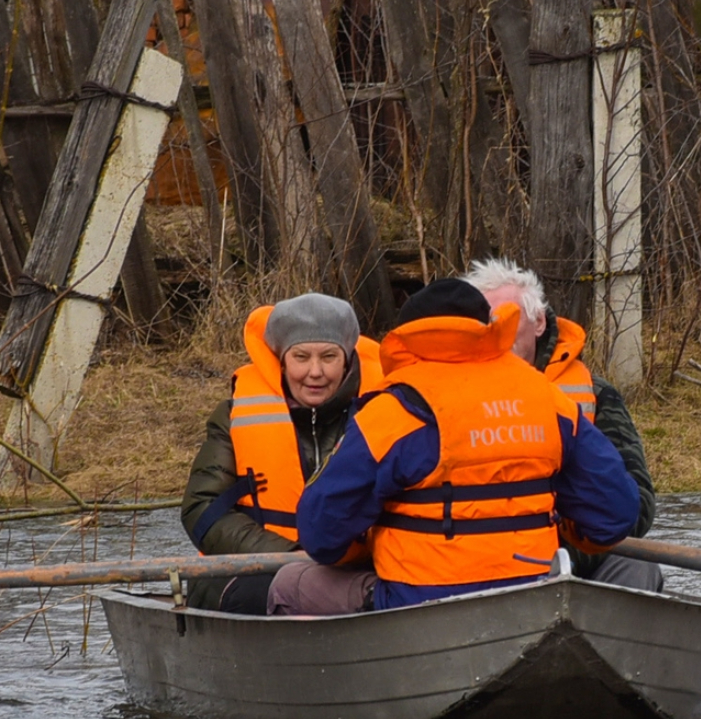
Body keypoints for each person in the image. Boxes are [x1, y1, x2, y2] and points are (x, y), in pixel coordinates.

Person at [272, 279, 640, 615]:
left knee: (290, 585)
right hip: (534, 597)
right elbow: (615, 515)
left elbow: (320, 534)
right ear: (487, 327)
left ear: (406, 336)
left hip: (418, 606)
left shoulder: (393, 412)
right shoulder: (548, 399)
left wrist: (370, 545)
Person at [460, 257, 665, 592]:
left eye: (508, 321)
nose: (496, 333)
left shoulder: (596, 395)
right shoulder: (444, 393)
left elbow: (638, 507)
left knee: (636, 564)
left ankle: (606, 641)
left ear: (538, 322)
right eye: (486, 323)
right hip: (477, 559)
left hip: (574, 555)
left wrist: (562, 554)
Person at [178, 293, 383, 613]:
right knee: (272, 593)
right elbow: (201, 509)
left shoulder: (386, 413)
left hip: (356, 568)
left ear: (347, 360)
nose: (315, 372)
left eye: (329, 356)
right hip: (253, 571)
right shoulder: (232, 416)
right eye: (301, 357)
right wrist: (294, 556)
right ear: (282, 360)